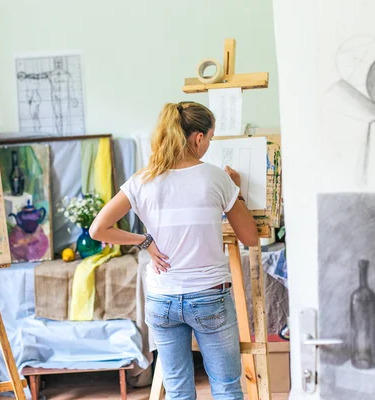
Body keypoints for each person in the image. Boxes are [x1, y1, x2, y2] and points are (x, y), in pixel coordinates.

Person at [89, 101, 258, 400]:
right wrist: (236, 191)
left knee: (178, 390)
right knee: (226, 387)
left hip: (162, 299)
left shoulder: (142, 180)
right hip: (210, 296)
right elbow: (249, 237)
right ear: (198, 138)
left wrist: (144, 241)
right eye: (210, 138)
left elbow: (98, 229)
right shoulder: (216, 178)